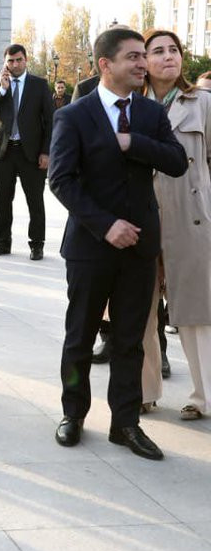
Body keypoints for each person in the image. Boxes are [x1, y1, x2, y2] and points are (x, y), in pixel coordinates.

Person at [48, 27, 186, 460]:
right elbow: (61, 180)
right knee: (79, 337)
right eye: (133, 57)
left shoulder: (150, 114)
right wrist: (106, 225)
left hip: (140, 248)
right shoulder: (74, 115)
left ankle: (125, 424)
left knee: (130, 340)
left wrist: (134, 142)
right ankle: (73, 414)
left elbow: (177, 162)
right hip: (90, 247)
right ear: (105, 64)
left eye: (143, 56)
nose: (143, 64)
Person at [138, 30, 211, 421]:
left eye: (174, 50)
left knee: (197, 312)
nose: (169, 57)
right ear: (143, 60)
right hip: (141, 218)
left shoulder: (202, 103)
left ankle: (204, 397)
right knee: (140, 310)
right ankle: (144, 391)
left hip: (191, 217)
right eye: (158, 51)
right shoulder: (132, 105)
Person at [0, 44, 54, 260]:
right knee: (3, 200)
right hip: (2, 152)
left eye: (19, 60)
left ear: (26, 60)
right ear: (5, 63)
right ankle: (3, 242)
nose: (15, 64)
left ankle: (37, 244)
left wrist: (46, 152)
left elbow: (50, 122)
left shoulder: (39, 85)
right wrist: (2, 90)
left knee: (35, 200)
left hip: (31, 153)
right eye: (10, 61)